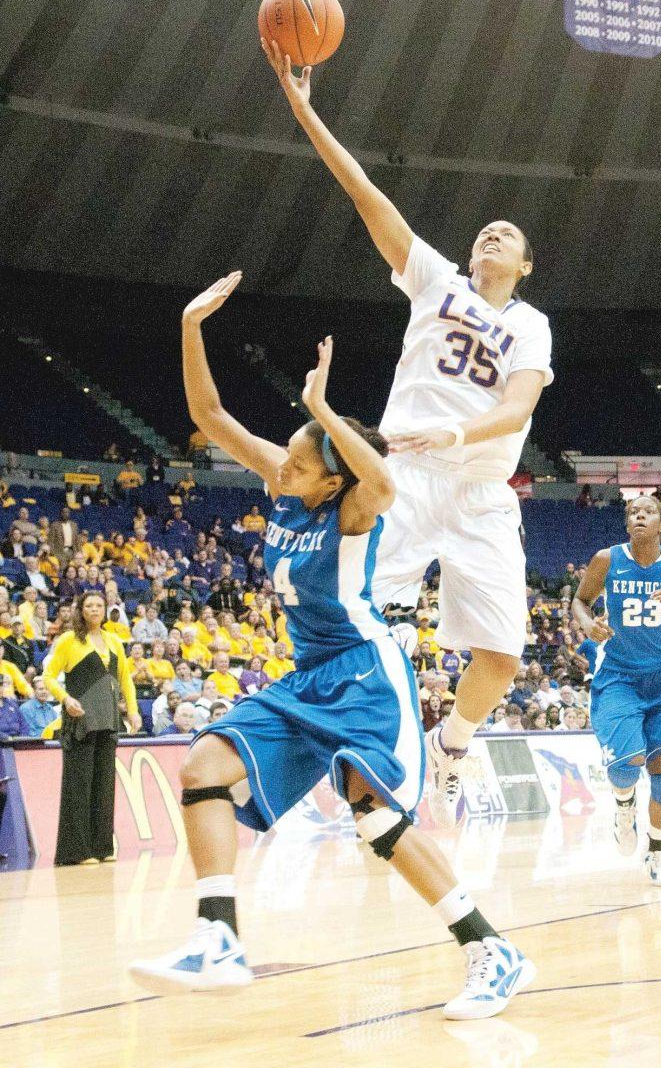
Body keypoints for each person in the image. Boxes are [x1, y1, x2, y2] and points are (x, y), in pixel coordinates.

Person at [128, 276, 534, 1018]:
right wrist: (189, 327)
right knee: (203, 767)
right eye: (285, 455)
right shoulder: (288, 488)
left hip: (364, 675)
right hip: (309, 674)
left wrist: (320, 409)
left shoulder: (358, 511)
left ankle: (489, 950)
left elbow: (378, 476)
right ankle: (218, 938)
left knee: (375, 819)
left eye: (299, 461)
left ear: (331, 482)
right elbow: (209, 414)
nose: (282, 467)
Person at [263, 40, 553, 830]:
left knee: (501, 657)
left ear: (525, 265)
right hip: (403, 479)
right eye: (484, 230)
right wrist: (304, 110)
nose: (491, 234)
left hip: (479, 486)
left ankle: (454, 746)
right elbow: (364, 194)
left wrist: (460, 437)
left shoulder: (531, 324)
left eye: (507, 234)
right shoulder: (434, 278)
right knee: (351, 620)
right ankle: (327, 745)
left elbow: (519, 408)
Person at [572, 495, 661, 886]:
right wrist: (586, 624)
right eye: (633, 512)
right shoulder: (607, 559)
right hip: (618, 675)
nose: (639, 516)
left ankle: (658, 854)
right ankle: (623, 804)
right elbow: (580, 601)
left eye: (647, 511)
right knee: (626, 763)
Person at [42, 592, 141, 865]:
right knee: (79, 786)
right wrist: (66, 698)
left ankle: (102, 847)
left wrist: (132, 710)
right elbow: (48, 677)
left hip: (108, 720)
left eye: (99, 605)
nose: (95, 610)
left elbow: (125, 680)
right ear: (81, 610)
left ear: (105, 609)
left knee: (103, 785)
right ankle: (77, 851)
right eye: (89, 606)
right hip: (80, 721)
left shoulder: (113, 641)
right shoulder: (68, 640)